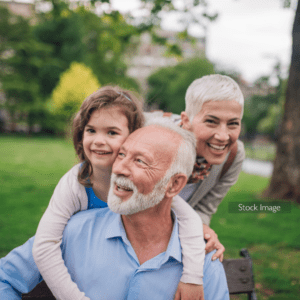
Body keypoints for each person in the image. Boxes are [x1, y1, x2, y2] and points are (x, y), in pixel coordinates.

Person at [0, 120, 229, 300]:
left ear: (174, 185)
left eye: (140, 161)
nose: (119, 168)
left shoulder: (203, 263)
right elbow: (4, 279)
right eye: (122, 154)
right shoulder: (74, 232)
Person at [31, 86, 205, 300]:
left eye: (111, 132)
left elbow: (189, 219)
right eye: (91, 130)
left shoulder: (148, 185)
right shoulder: (75, 182)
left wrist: (192, 277)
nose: (98, 140)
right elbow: (45, 244)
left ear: (134, 136)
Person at [146, 74, 245, 262]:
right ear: (186, 120)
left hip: (171, 236)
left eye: (233, 123)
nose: (223, 136)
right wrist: (192, 224)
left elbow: (204, 208)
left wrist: (202, 231)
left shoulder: (233, 155)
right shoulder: (152, 137)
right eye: (211, 121)